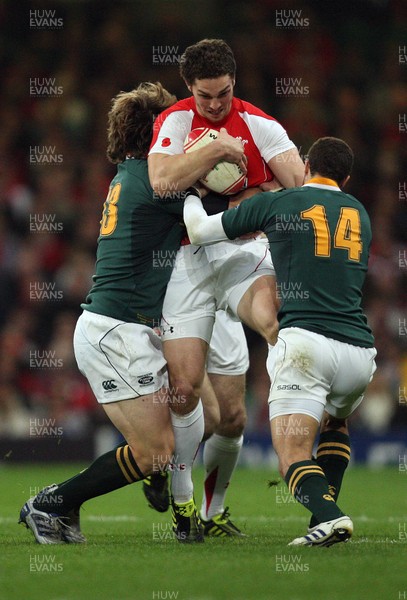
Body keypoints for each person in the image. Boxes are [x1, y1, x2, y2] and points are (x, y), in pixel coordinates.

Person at [18, 82, 229, 544]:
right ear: (158, 131)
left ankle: (163, 487)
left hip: (134, 330)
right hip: (114, 333)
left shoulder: (133, 175)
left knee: (204, 414)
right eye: (175, 126)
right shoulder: (158, 182)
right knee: (155, 452)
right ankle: (50, 503)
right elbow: (220, 213)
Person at [183, 136, 377, 546]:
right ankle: (322, 519)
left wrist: (189, 193)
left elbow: (199, 231)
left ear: (305, 164)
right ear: (346, 177)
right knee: (334, 421)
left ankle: (329, 516)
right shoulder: (360, 213)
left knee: (291, 454)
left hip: (306, 345)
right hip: (360, 353)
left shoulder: (280, 204)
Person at [147, 38, 304, 539]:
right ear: (188, 88)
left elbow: (301, 189)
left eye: (224, 94)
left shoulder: (260, 124)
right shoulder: (173, 121)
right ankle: (177, 497)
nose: (215, 105)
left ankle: (213, 516)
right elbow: (160, 181)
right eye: (205, 96)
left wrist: (261, 195)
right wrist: (216, 148)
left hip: (240, 251)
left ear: (234, 83)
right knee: (186, 388)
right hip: (188, 260)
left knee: (233, 415)